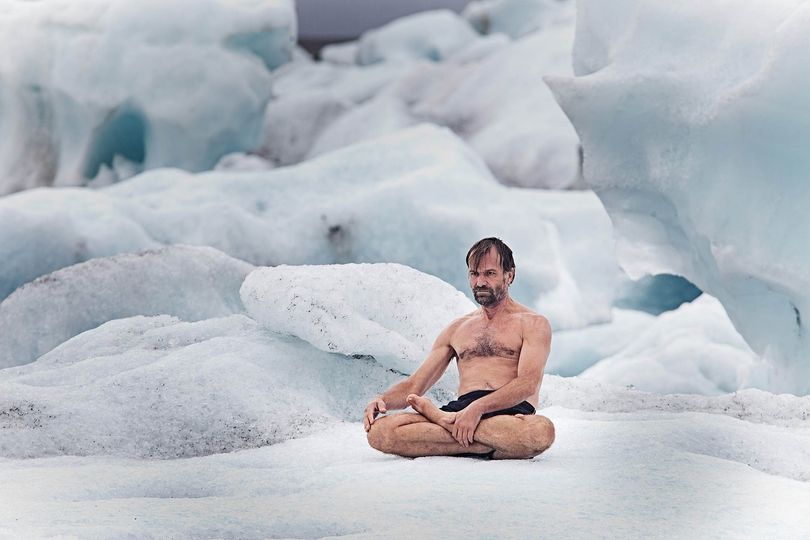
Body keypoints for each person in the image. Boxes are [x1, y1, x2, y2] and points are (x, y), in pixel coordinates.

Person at [364, 237, 555, 460]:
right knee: (380, 432)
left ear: (509, 275)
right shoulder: (457, 329)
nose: (480, 282)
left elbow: (527, 383)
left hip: (510, 413)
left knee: (540, 432)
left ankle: (443, 424)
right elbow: (415, 385)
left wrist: (478, 409)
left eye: (489, 274)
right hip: (461, 412)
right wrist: (381, 400)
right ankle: (484, 444)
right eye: (474, 274)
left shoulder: (533, 323)